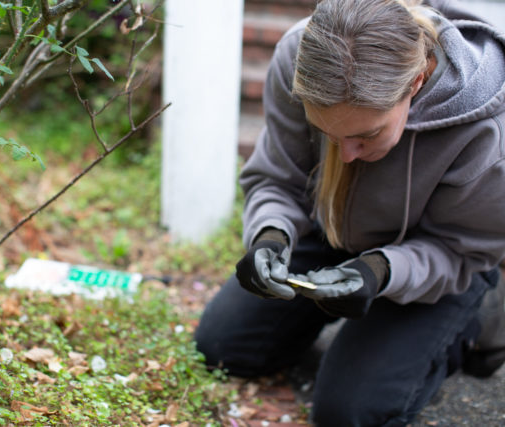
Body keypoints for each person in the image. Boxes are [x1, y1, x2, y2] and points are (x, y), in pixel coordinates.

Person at [194, 0, 505, 425]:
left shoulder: (491, 126)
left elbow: (458, 248)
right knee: (224, 348)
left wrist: (379, 271)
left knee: (352, 413)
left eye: (367, 134)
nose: (347, 154)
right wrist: (271, 235)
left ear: (415, 83)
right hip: (334, 229)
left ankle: (472, 323)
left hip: (438, 259)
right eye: (327, 134)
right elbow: (278, 178)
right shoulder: (300, 59)